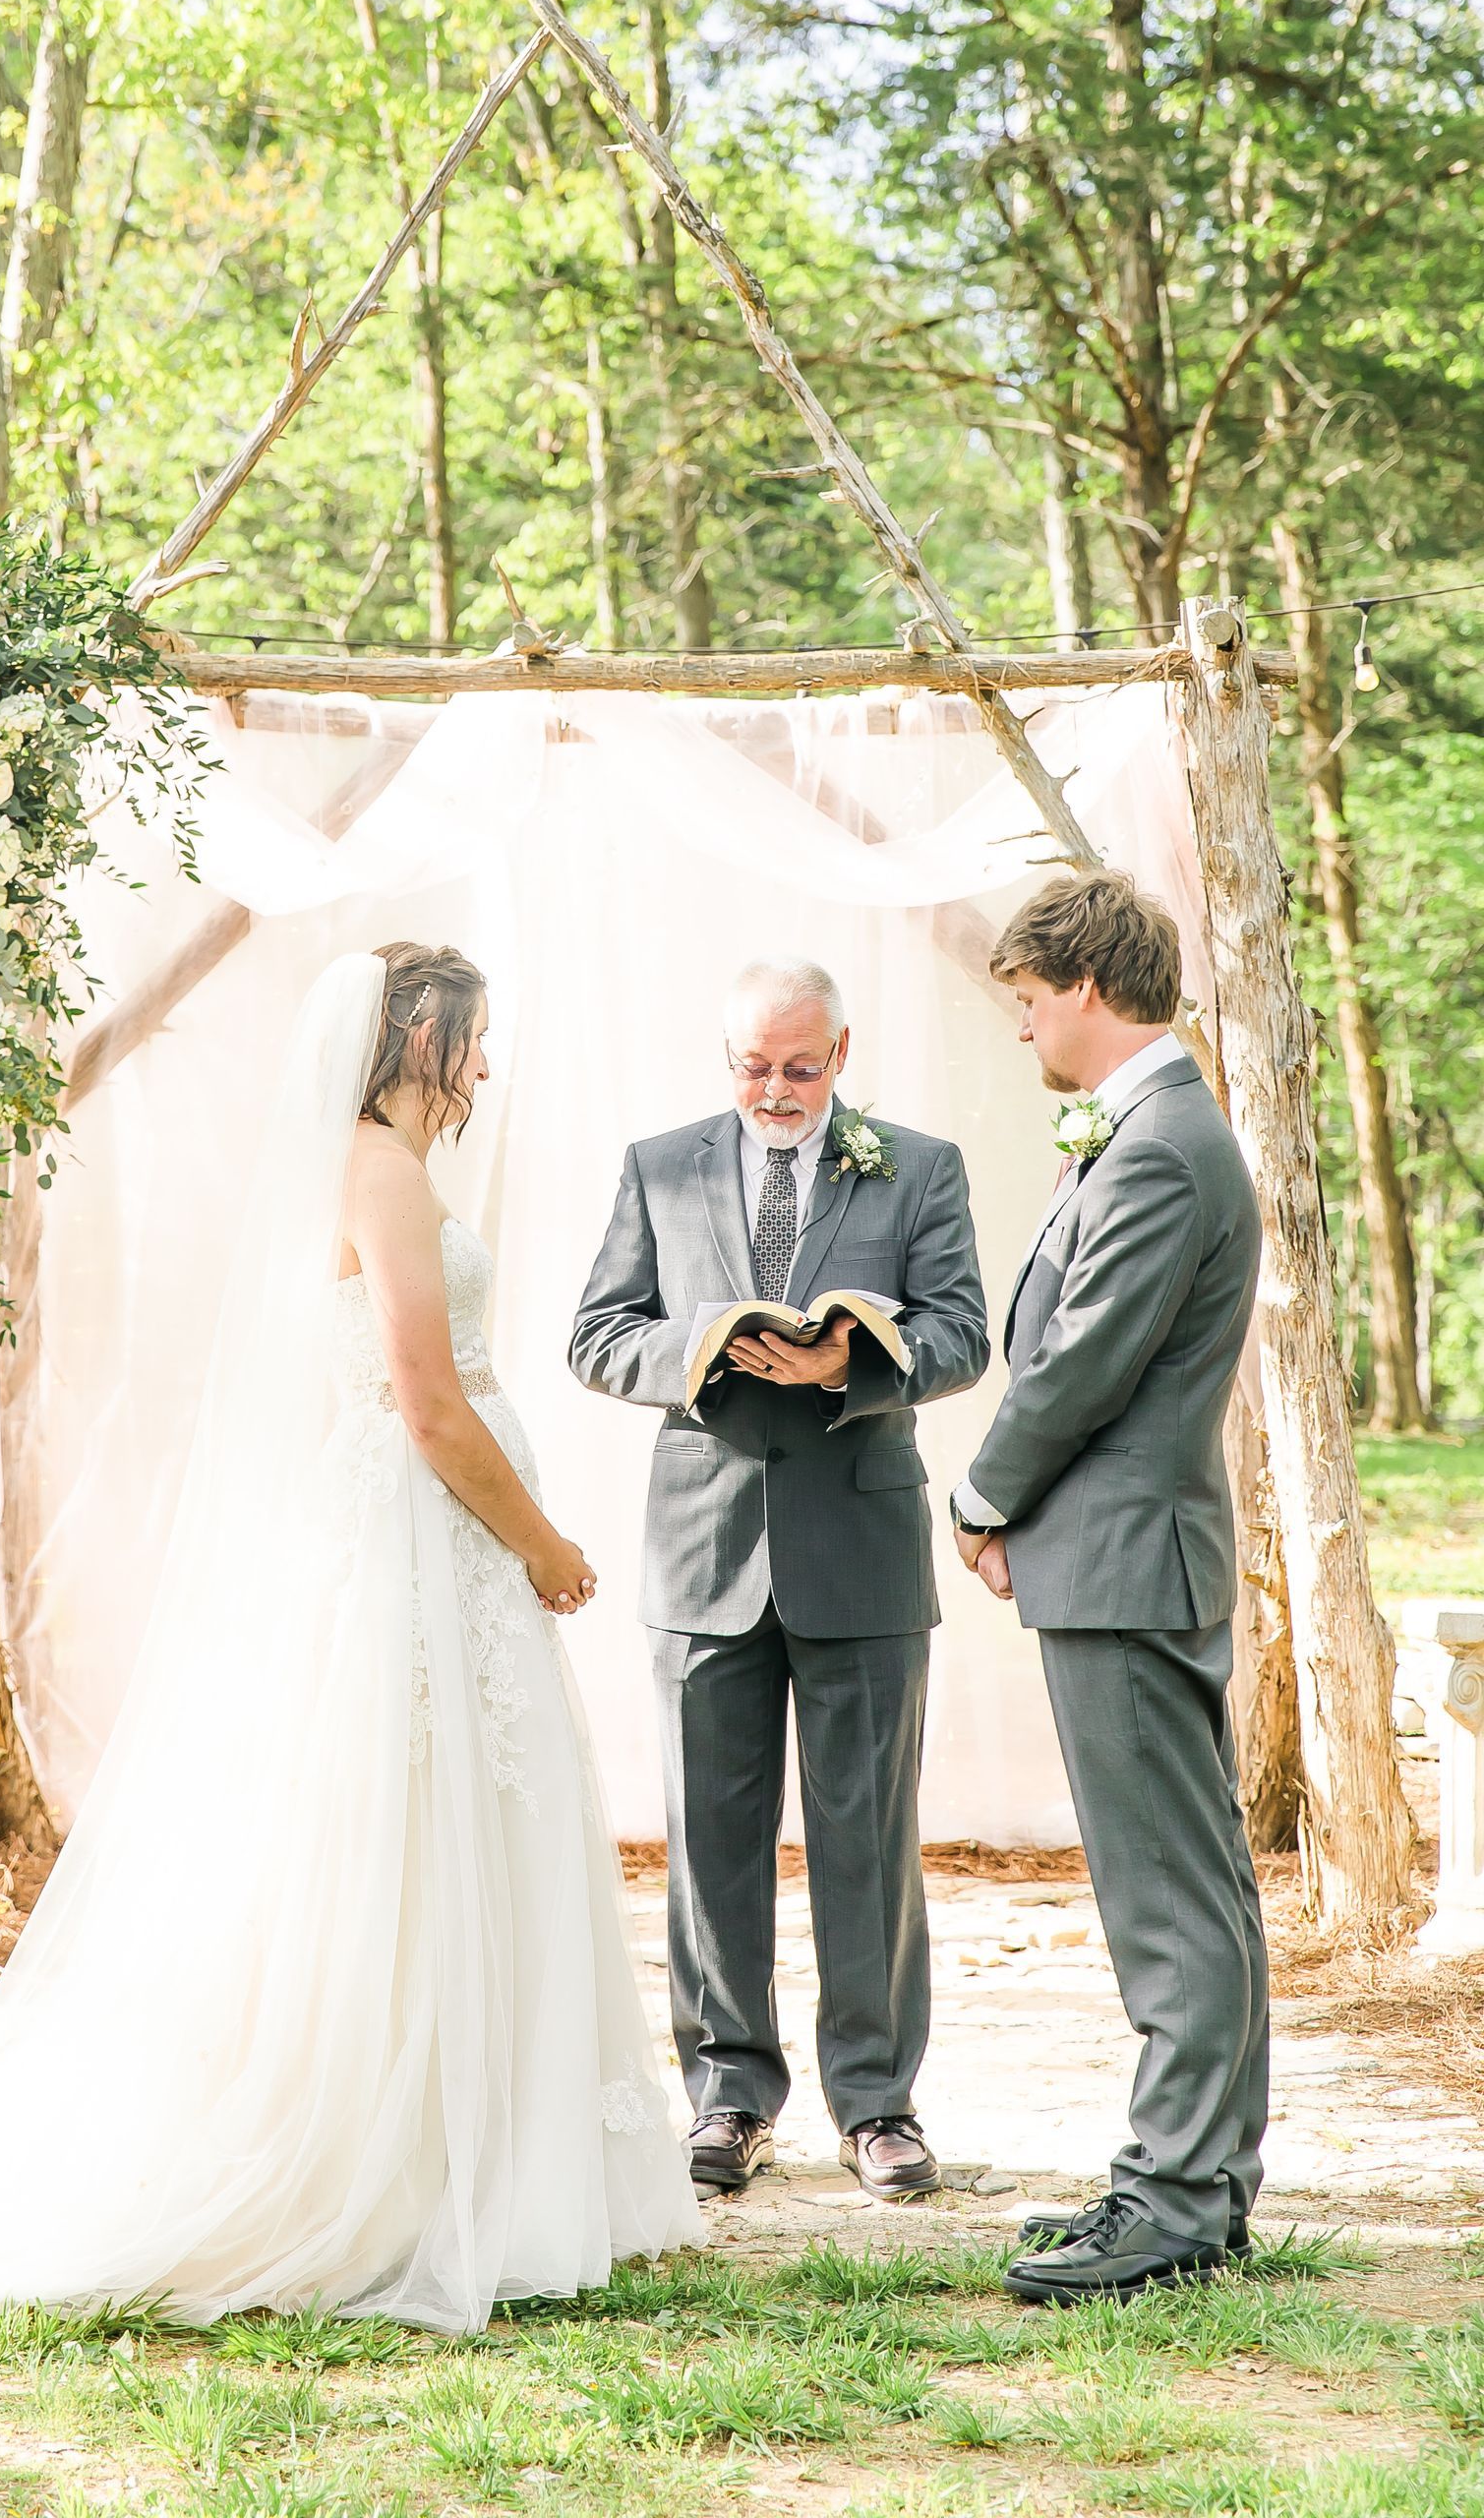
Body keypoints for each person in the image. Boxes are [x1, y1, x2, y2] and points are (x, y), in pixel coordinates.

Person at [0, 945, 697, 2347]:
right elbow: (425, 1403)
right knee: (415, 1838)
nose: (487, 1063)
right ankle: (415, 2170)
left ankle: (467, 2163)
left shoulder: (370, 1168)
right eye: (472, 1039)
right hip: (431, 1543)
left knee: (442, 1835)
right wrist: (542, 1542)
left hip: (428, 1554)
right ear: (421, 1042)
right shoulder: (381, 1174)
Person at [570, 957, 988, 2203]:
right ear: (728, 1061)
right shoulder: (660, 1165)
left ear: (842, 1056)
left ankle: (877, 2107)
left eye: (800, 1067)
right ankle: (729, 2099)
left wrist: (849, 1364)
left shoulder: (919, 1166)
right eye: (754, 1066)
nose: (775, 1089)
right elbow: (598, 1333)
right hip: (703, 1553)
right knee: (709, 1841)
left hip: (860, 1548)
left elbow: (964, 1331)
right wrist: (700, 1350)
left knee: (869, 1843)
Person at [950, 872, 1267, 2307]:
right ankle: (1197, 2184)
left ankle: (1175, 2203)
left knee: (1168, 1902)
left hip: (1128, 1563)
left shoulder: (1160, 1148)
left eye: (1028, 1000)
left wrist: (983, 1493)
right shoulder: (1158, 1130)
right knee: (1196, 1887)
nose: (1023, 1029)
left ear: (1084, 986)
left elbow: (1081, 1360)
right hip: (1133, 1557)